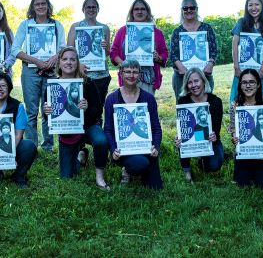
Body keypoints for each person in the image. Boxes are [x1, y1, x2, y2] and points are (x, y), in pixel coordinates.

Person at [43, 47, 109, 189]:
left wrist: (86, 109)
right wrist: (46, 112)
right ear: (59, 63)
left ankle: (99, 176)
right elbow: (47, 117)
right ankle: (81, 156)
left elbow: (97, 109)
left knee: (101, 140)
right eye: (65, 59)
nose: (69, 62)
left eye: (73, 59)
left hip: (88, 126)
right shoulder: (52, 86)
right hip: (68, 130)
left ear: (77, 62)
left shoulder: (87, 82)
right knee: (67, 175)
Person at [11, 0, 66, 151]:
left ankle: (48, 145)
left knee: (48, 108)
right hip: (30, 71)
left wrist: (54, 58)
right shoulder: (25, 25)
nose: (41, 6)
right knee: (31, 111)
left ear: (48, 6)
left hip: (51, 71)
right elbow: (15, 50)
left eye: (43, 3)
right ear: (32, 7)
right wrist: (37, 61)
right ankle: (31, 146)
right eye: (37, 4)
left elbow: (62, 47)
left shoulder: (57, 25)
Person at [103, 59, 163, 190]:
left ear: (140, 74)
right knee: (139, 163)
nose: (131, 75)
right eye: (128, 72)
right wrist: (113, 150)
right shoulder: (111, 98)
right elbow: (107, 129)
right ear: (121, 73)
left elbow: (156, 128)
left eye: (135, 72)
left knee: (155, 187)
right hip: (122, 150)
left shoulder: (149, 98)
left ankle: (141, 168)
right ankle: (127, 171)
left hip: (145, 147)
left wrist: (156, 147)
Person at [228, 68, 263, 190]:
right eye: (244, 82)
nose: (248, 86)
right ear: (240, 85)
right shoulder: (235, 104)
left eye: (251, 82)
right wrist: (234, 136)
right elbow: (232, 127)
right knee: (242, 185)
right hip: (244, 153)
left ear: (258, 84)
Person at [110, 0, 168, 95]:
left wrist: (159, 57)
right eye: (136, 9)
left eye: (143, 9)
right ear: (132, 12)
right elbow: (113, 52)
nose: (139, 11)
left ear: (147, 12)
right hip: (128, 77)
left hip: (148, 79)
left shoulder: (157, 32)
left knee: (147, 107)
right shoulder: (123, 31)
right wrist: (123, 64)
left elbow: (164, 53)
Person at [176, 68, 224, 181]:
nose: (193, 85)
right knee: (182, 139)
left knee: (213, 166)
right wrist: (179, 137)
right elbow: (183, 127)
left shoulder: (216, 101)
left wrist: (214, 135)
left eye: (196, 81)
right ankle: (187, 170)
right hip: (193, 137)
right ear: (186, 85)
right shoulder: (183, 102)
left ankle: (203, 160)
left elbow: (216, 129)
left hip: (210, 140)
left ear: (203, 81)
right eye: (189, 82)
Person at [230, 0, 263, 103]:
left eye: (257, 4)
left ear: (262, 6)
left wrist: (262, 70)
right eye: (250, 5)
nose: (253, 8)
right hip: (242, 70)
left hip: (262, 70)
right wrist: (236, 67)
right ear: (247, 7)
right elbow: (235, 43)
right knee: (238, 100)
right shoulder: (241, 22)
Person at [67, 0, 112, 112]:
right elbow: (69, 51)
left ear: (98, 9)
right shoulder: (75, 27)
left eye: (94, 7)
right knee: (82, 106)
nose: (91, 9)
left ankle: (98, 127)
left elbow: (107, 53)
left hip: (101, 75)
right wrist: (78, 65)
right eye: (88, 7)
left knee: (98, 107)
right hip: (82, 74)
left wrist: (105, 47)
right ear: (83, 9)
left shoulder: (104, 28)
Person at [170, 0, 217, 101]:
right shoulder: (177, 31)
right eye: (185, 8)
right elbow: (173, 54)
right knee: (183, 107)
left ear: (197, 9)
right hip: (181, 77)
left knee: (205, 105)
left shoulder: (207, 28)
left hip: (204, 74)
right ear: (182, 11)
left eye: (192, 7)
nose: (189, 10)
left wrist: (210, 64)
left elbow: (214, 50)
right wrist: (180, 67)